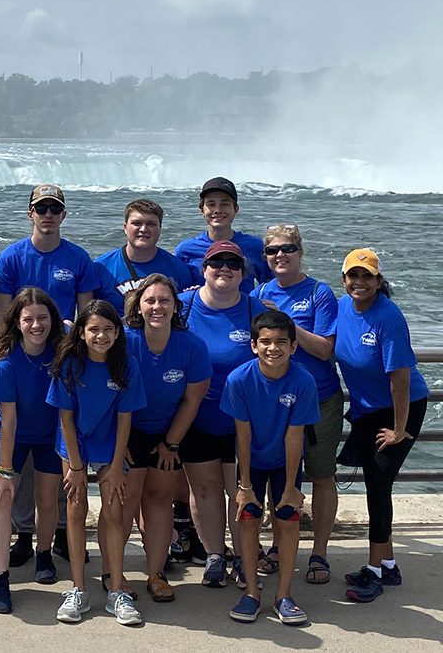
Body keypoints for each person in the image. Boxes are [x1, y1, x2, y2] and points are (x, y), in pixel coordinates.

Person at [0, 183, 99, 566]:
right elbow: (4, 317)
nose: (48, 215)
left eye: (55, 208)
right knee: (20, 461)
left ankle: (59, 533)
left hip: (62, 362)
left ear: (64, 215)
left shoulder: (79, 258)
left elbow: (87, 317)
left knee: (62, 447)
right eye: (42, 208)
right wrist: (5, 359)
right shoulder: (10, 257)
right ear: (31, 214)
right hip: (23, 357)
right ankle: (24, 533)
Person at [335, 249, 429, 603]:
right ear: (344, 279)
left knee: (377, 487)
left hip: (399, 409)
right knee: (375, 485)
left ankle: (373, 573)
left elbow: (400, 381)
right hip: (367, 409)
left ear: (379, 281)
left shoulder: (388, 317)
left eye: (367, 276)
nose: (359, 282)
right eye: (353, 275)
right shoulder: (343, 306)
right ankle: (388, 565)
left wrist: (400, 430)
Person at [252, 224, 342, 584]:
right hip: (275, 403)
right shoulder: (259, 292)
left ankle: (319, 551)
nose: (280, 256)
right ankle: (277, 546)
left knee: (321, 476)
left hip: (320, 399)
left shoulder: (320, 293)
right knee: (280, 477)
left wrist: (287, 323)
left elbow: (324, 349)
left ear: (300, 252)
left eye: (288, 249)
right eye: (273, 251)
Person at [48, 300, 147, 625]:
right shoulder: (69, 363)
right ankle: (78, 589)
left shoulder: (127, 364)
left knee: (115, 510)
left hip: (109, 443)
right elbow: (65, 416)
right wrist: (76, 467)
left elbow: (125, 418)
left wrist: (117, 465)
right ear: (81, 332)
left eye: (108, 329)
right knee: (76, 510)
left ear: (118, 332)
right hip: (75, 443)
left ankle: (116, 590)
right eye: (93, 329)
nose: (101, 335)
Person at [224, 311, 320, 625]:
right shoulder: (239, 379)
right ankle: (252, 592)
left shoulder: (303, 380)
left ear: (294, 346)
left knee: (288, 521)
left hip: (285, 463)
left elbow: (295, 437)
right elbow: (243, 434)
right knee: (248, 520)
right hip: (252, 462)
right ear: (253, 345)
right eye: (265, 341)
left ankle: (284, 594)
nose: (273, 348)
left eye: (281, 342)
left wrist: (292, 488)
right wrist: (245, 487)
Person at [121, 274, 212, 603]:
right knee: (124, 502)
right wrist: (120, 445)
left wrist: (171, 443)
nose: (157, 306)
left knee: (159, 500)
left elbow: (193, 399)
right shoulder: (125, 340)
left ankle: (155, 574)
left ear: (176, 306)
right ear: (139, 305)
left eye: (164, 301)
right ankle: (113, 575)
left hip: (167, 432)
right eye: (150, 300)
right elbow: (111, 393)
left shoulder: (191, 346)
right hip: (126, 428)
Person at [177, 240, 261, 589]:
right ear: (203, 270)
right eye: (217, 263)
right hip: (194, 416)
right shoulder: (182, 305)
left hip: (243, 421)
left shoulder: (258, 309)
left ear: (243, 272)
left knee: (240, 492)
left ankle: (243, 558)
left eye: (233, 263)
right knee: (205, 491)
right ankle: (214, 555)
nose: (224, 268)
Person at [0, 287, 65, 614]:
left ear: (52, 320)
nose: (36, 325)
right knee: (1, 499)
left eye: (42, 318)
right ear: (17, 322)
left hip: (49, 435)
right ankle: (0, 578)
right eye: (28, 319)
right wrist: (4, 472)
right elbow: (9, 421)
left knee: (47, 499)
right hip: (11, 436)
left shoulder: (63, 352)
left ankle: (43, 553)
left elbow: (66, 409)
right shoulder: (7, 362)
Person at [94, 199, 198, 313]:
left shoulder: (178, 268)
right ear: (125, 227)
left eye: (151, 224)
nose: (143, 229)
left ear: (159, 229)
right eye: (137, 223)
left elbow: (185, 313)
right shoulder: (101, 267)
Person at [175, 177, 272, 292]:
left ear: (235, 209)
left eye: (224, 204)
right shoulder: (185, 250)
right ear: (202, 210)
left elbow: (271, 285)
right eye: (211, 204)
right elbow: (176, 291)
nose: (217, 210)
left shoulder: (255, 246)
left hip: (244, 309)